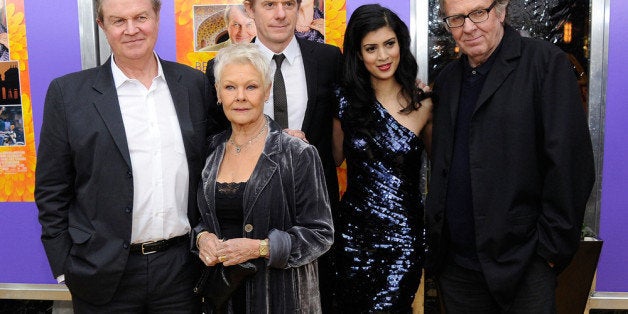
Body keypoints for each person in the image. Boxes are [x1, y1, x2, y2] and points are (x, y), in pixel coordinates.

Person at [35, 0, 215, 312]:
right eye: (119, 21)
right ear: (102, 26)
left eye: (140, 17)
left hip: (181, 271)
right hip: (101, 273)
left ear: (157, 17)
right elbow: (52, 188)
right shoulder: (68, 94)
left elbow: (216, 160)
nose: (131, 30)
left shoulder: (194, 84)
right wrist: (64, 265)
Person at [425, 0, 596, 312]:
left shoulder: (546, 64)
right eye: (456, 18)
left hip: (525, 265)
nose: (469, 27)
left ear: (500, 10)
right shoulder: (449, 80)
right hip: (458, 269)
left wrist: (547, 252)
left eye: (478, 12)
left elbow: (571, 166)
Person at [205, 1, 342, 310]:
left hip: (308, 233)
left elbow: (355, 114)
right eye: (269, 4)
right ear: (250, 9)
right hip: (238, 244)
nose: (280, 14)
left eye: (288, 3)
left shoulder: (329, 59)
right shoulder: (223, 67)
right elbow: (215, 144)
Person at [331, 4, 432, 312]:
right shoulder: (343, 101)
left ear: (401, 42)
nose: (383, 56)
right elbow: (334, 160)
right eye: (371, 48)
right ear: (358, 54)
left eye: (389, 44)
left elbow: (444, 168)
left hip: (404, 241)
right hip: (352, 238)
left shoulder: (425, 104)